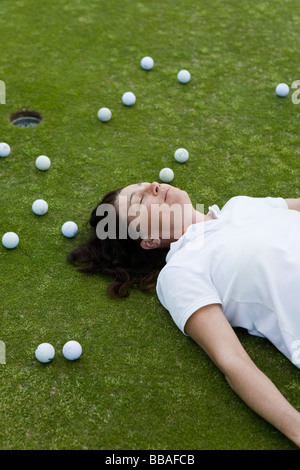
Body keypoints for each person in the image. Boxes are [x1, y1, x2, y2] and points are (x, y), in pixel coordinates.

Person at [68, 181, 300, 447]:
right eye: (140, 201)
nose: (154, 187)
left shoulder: (241, 205)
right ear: (150, 240)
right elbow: (233, 360)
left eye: (147, 183)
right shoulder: (181, 269)